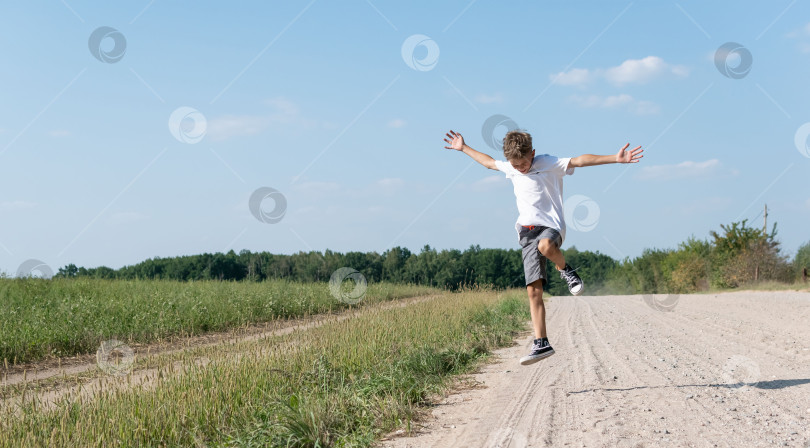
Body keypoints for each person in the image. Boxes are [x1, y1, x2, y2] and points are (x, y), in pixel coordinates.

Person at [443, 129, 643, 365]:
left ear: (533, 154)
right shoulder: (511, 166)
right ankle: (542, 342)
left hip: (551, 227)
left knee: (546, 246)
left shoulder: (547, 162)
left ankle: (565, 270)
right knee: (533, 291)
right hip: (526, 233)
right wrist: (464, 147)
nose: (520, 168)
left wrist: (614, 158)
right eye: (515, 165)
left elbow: (579, 160)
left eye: (524, 163)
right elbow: (488, 163)